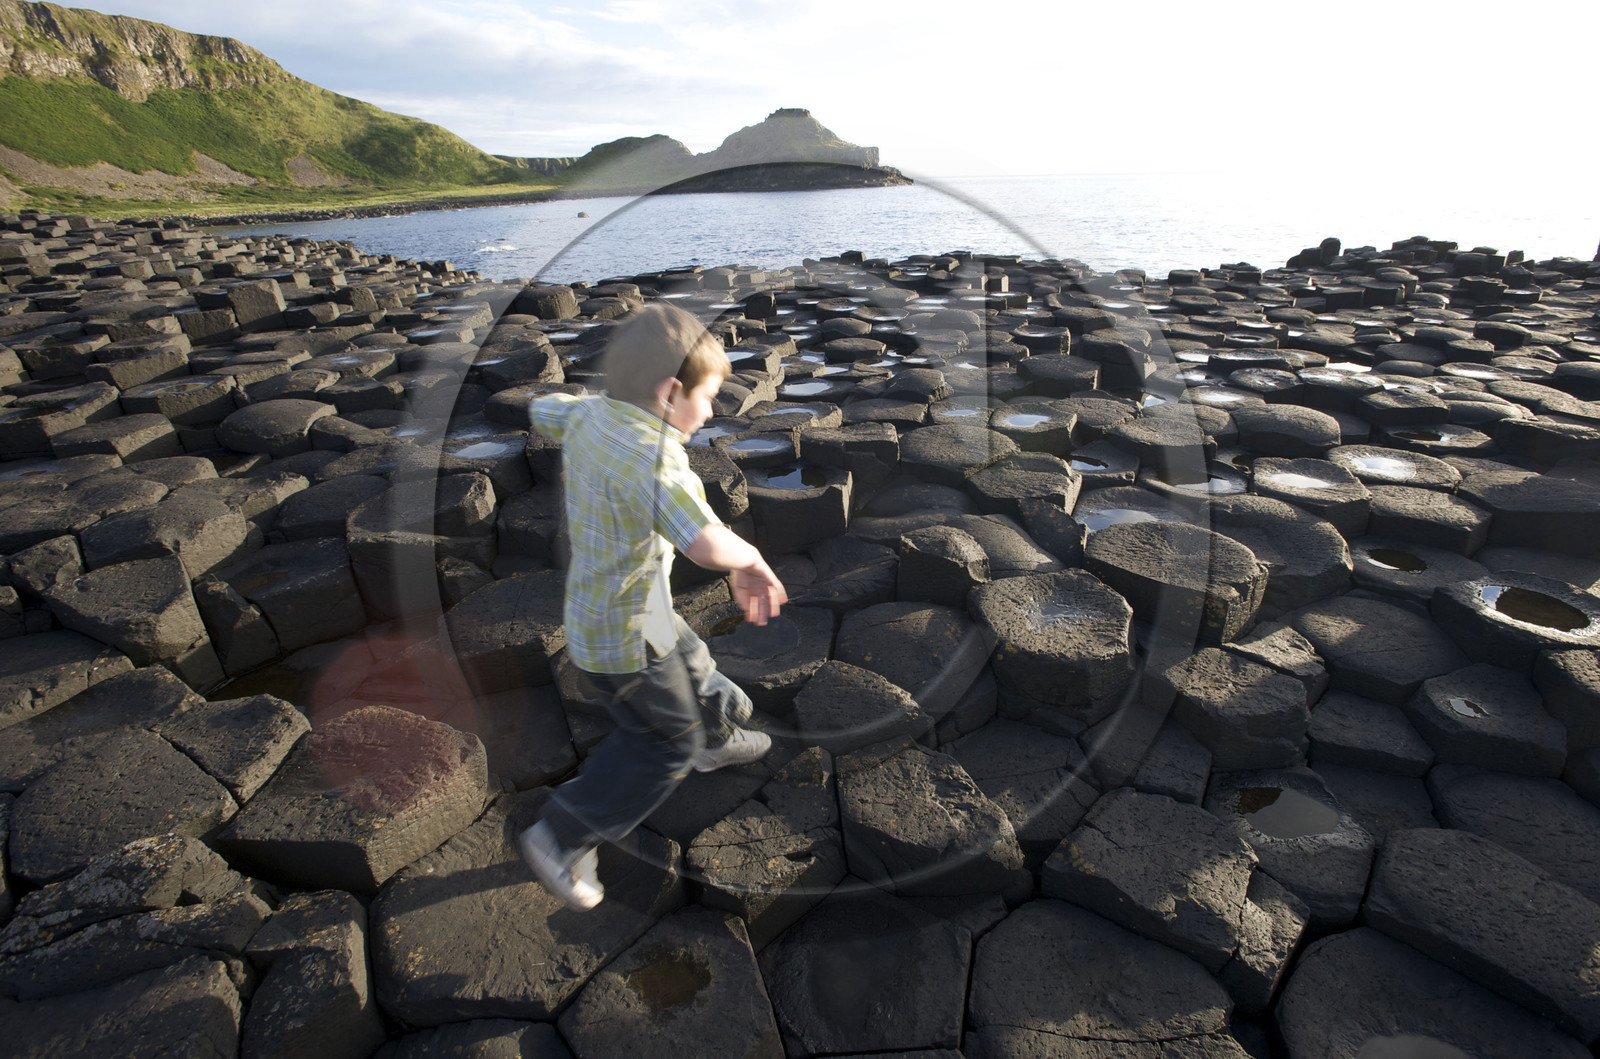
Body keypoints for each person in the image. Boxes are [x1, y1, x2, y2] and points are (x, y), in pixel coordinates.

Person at [517, 303, 788, 910]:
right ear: (670, 394)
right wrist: (751, 559)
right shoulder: (656, 459)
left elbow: (545, 406)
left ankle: (716, 736)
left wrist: (538, 402)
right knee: (665, 744)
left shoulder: (591, 414)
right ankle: (561, 833)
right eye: (709, 396)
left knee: (693, 657)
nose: (713, 410)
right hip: (626, 643)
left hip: (613, 609)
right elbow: (703, 540)